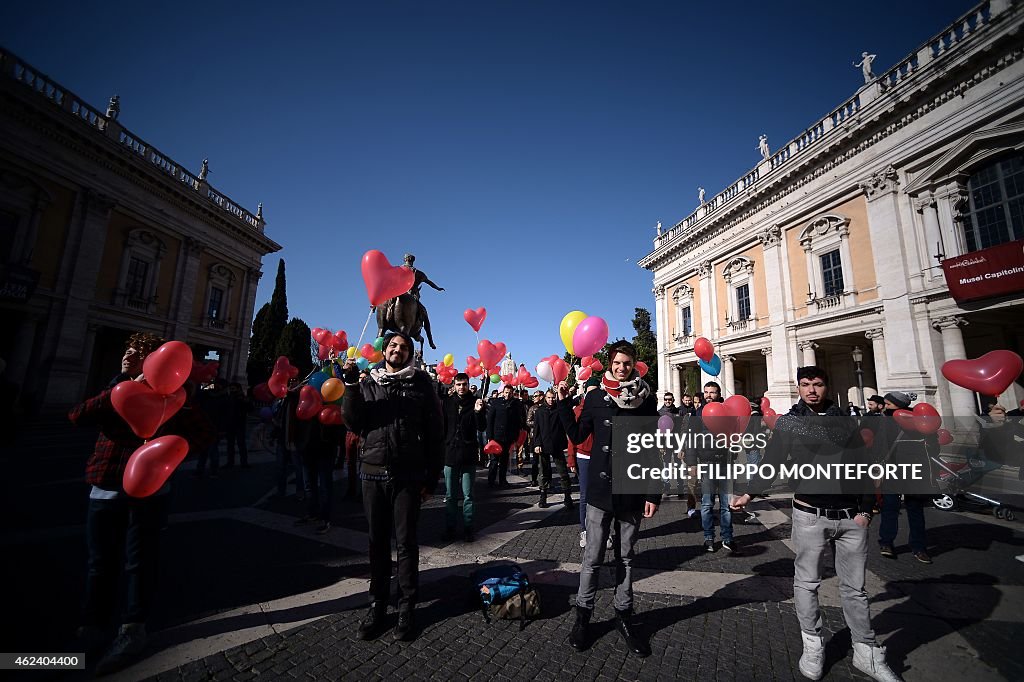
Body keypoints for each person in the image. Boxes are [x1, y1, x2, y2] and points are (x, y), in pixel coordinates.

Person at [731, 367, 900, 682]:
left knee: (855, 589)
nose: (812, 390)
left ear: (826, 386)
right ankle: (813, 644)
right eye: (806, 385)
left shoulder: (845, 421)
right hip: (810, 513)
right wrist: (750, 493)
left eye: (818, 384)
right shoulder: (790, 423)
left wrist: (866, 511)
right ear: (798, 388)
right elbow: (773, 461)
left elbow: (861, 465)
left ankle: (866, 651)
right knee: (807, 583)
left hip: (851, 517)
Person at [68, 333, 215, 674]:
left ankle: (132, 628)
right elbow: (77, 416)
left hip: (151, 493)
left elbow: (205, 434)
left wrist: (170, 454)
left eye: (137, 354)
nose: (128, 356)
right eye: (127, 351)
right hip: (106, 485)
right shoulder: (115, 388)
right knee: (99, 563)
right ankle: (92, 627)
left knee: (139, 562)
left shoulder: (176, 398)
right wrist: (121, 387)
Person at [557, 340, 660, 657]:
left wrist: (653, 492)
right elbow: (576, 435)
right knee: (592, 559)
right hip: (600, 492)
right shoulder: (596, 397)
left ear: (633, 365)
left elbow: (651, 448)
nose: (621, 368)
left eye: (626, 363)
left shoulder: (646, 399)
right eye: (616, 363)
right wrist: (562, 403)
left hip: (631, 490)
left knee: (626, 559)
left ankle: (623, 616)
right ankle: (583, 617)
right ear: (610, 364)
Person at [342, 330, 443, 642]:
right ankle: (378, 604)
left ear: (410, 353)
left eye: (404, 346)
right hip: (372, 472)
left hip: (408, 475)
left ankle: (407, 606)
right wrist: (349, 387)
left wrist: (432, 478)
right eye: (393, 345)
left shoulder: (422, 384)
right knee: (376, 543)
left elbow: (435, 433)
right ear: (384, 350)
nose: (398, 349)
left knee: (407, 543)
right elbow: (352, 421)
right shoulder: (367, 382)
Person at [868, 392, 935, 564]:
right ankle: (886, 542)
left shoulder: (919, 420)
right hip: (892, 470)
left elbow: (933, 446)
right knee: (890, 507)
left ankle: (919, 547)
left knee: (915, 510)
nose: (885, 407)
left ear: (899, 405)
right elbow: (879, 447)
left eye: (888, 404)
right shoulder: (885, 421)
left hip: (914, 470)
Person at [686, 382, 738, 553]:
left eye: (712, 392)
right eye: (706, 392)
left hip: (725, 463)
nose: (708, 395)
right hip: (707, 463)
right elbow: (691, 440)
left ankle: (727, 537)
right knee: (707, 504)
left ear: (719, 393)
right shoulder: (698, 414)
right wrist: (692, 463)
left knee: (726, 504)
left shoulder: (728, 412)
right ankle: (708, 537)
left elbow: (735, 436)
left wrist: (734, 454)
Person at [441, 373, 486, 542]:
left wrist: (479, 412)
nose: (462, 387)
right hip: (450, 454)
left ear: (468, 385)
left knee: (468, 495)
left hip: (468, 455)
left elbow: (482, 427)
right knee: (450, 495)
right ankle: (450, 527)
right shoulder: (447, 402)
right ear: (454, 385)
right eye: (459, 384)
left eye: (464, 384)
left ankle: (468, 527)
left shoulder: (475, 402)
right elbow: (443, 427)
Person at [568, 378, 599, 547]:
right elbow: (571, 436)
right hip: (584, 456)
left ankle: (604, 531)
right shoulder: (578, 410)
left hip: (601, 456)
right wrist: (571, 458)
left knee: (603, 495)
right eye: (590, 391)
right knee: (585, 495)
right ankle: (585, 530)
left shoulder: (604, 408)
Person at [534, 389, 573, 509]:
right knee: (543, 472)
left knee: (563, 472)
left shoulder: (559, 409)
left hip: (557, 444)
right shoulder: (540, 411)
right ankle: (543, 495)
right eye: (549, 398)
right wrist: (537, 443)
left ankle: (567, 496)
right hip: (544, 444)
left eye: (552, 398)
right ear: (545, 398)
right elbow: (537, 429)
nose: (551, 400)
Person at [485, 384, 522, 488]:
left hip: (508, 437)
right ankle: (491, 481)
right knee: (494, 460)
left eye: (510, 393)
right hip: (496, 436)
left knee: (504, 461)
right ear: (503, 392)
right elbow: (490, 420)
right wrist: (490, 436)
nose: (508, 395)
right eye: (506, 392)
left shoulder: (516, 404)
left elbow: (517, 421)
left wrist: (516, 436)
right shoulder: (496, 402)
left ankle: (502, 480)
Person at [225, 382, 250, 467]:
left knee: (241, 443)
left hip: (239, 423)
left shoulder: (242, 398)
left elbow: (249, 409)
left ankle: (244, 462)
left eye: (233, 388)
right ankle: (231, 461)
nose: (231, 390)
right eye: (231, 389)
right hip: (230, 423)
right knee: (230, 444)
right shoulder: (229, 398)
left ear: (238, 389)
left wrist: (245, 402)